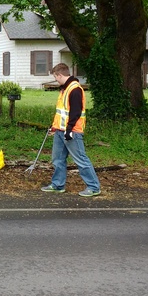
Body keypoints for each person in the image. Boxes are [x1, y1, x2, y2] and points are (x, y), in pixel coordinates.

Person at [41, 63, 101, 197]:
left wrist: (69, 130)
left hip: (72, 132)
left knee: (81, 159)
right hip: (60, 131)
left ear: (60, 75)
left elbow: (76, 112)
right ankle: (57, 185)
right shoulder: (64, 88)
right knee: (58, 159)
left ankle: (93, 187)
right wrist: (55, 126)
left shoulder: (74, 89)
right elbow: (61, 112)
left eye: (55, 77)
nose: (55, 80)